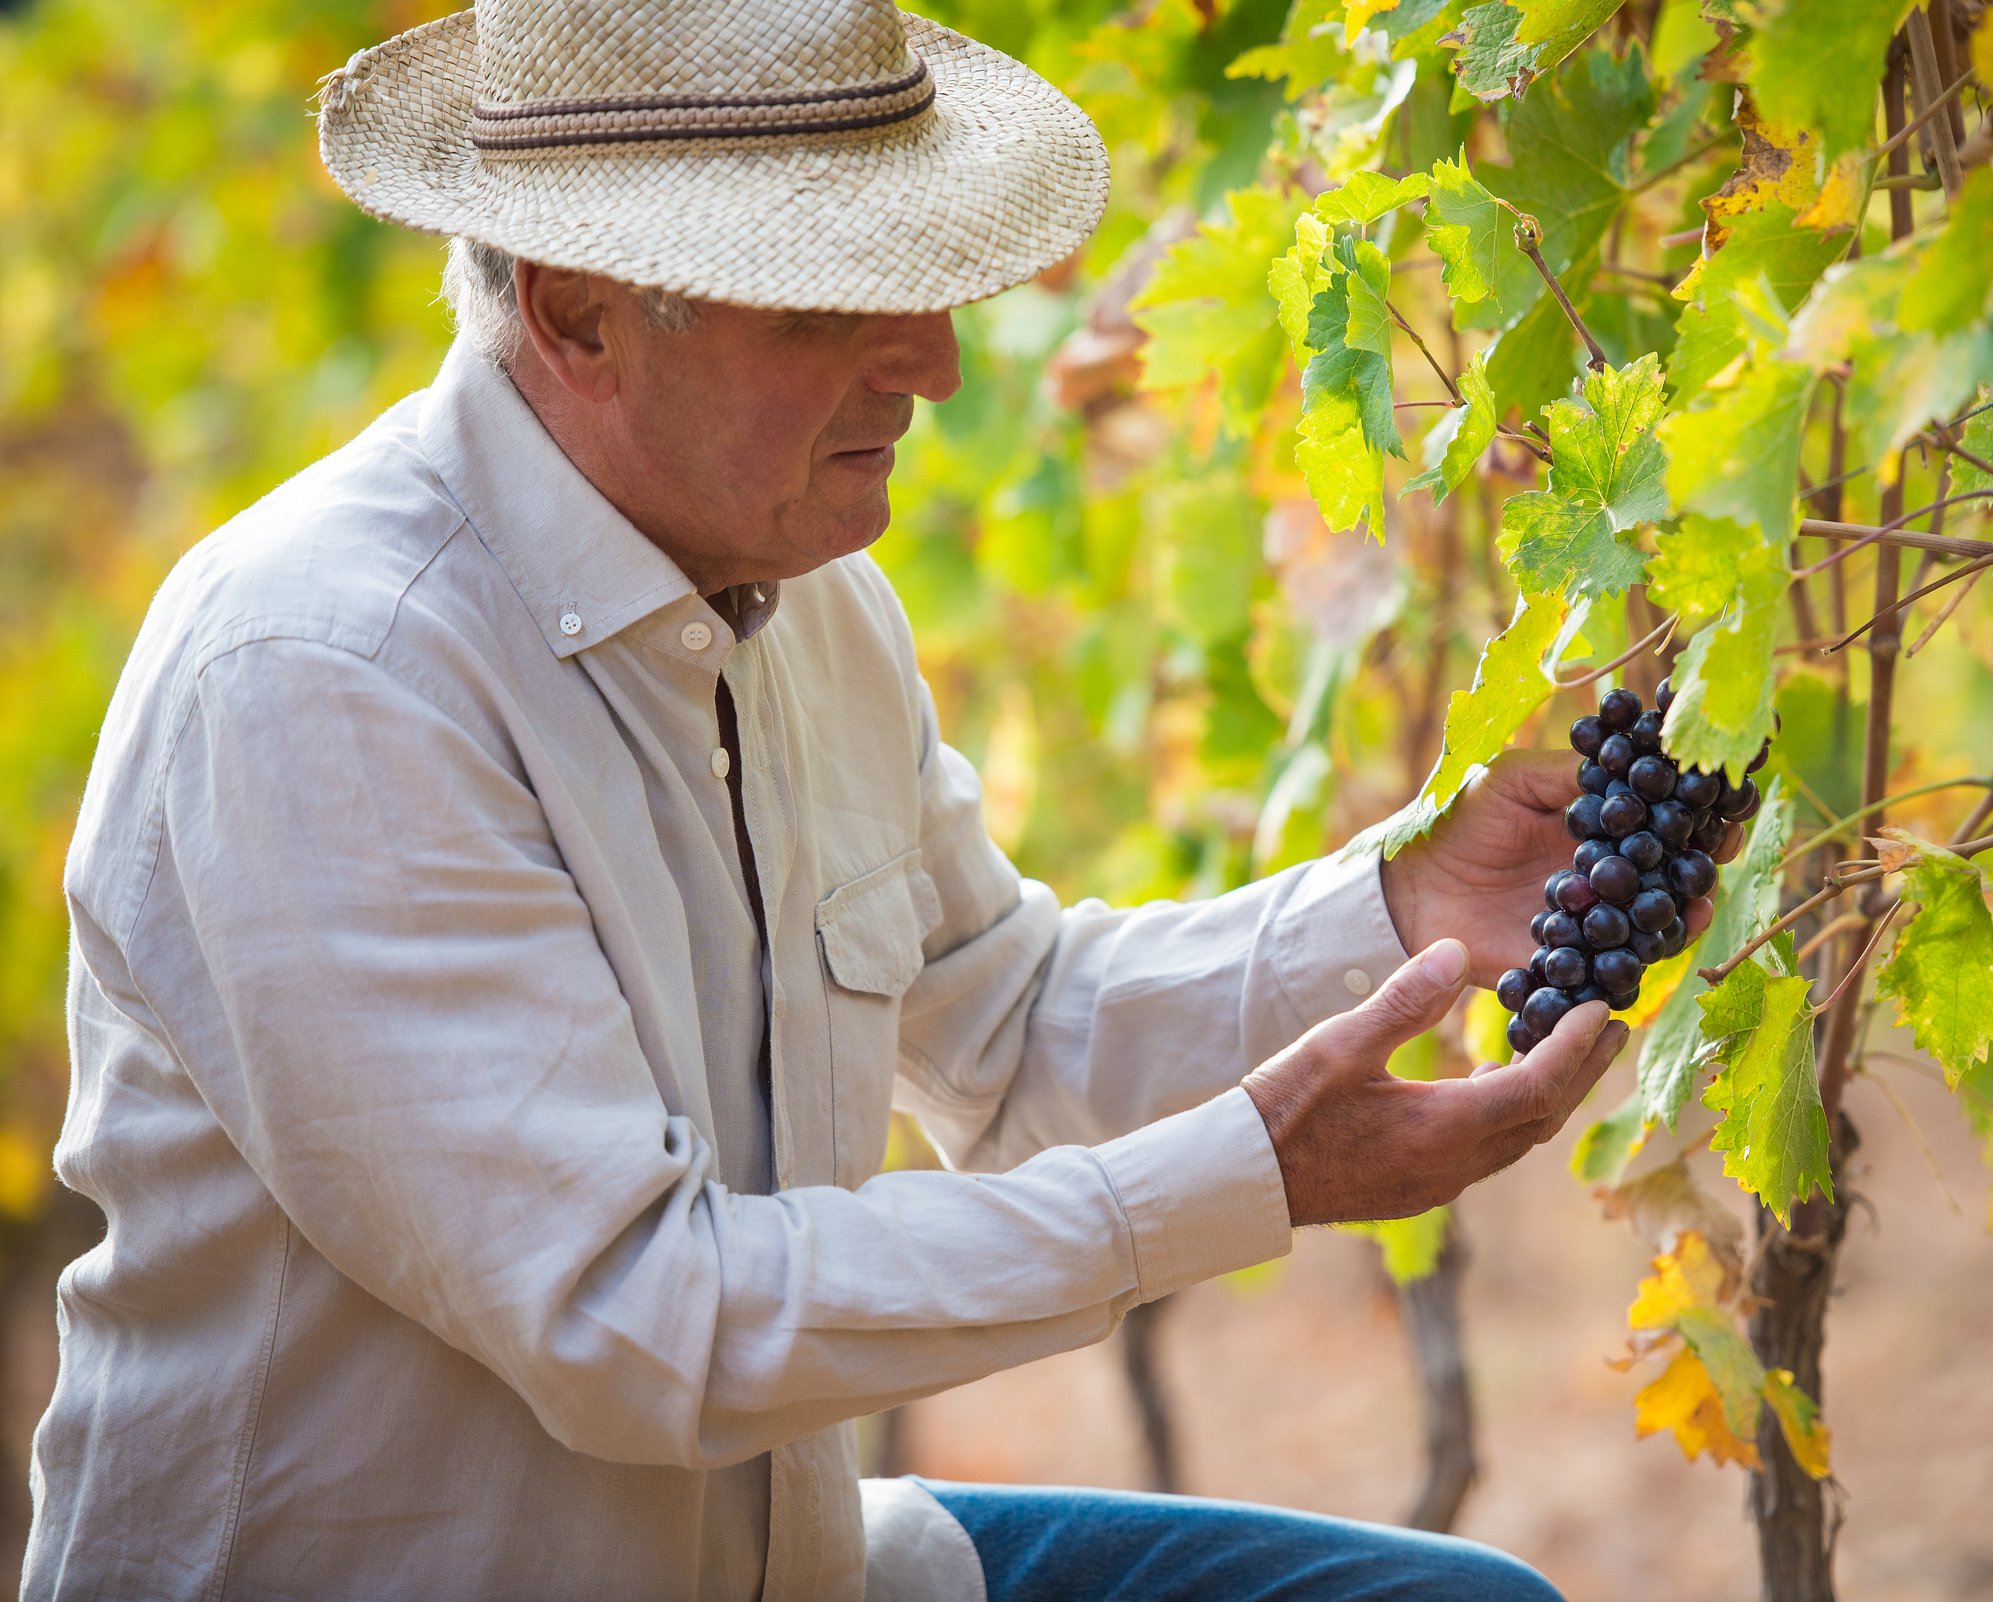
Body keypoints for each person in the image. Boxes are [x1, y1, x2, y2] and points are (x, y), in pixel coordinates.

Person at [25, 2, 1734, 1597]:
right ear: (573, 306)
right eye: (826, 302)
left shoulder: (802, 593)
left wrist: (1405, 907)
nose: (935, 365)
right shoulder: (329, 677)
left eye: (925, 281)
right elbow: (643, 1318)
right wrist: (1247, 1175)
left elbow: (1015, 1031)